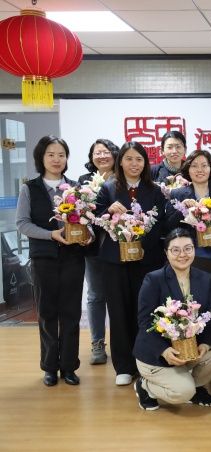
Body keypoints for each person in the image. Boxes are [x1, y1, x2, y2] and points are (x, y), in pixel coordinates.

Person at [16, 135, 88, 386]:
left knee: (71, 312)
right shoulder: (29, 188)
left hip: (73, 258)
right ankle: (49, 366)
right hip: (43, 259)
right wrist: (51, 235)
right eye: (51, 154)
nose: (57, 159)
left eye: (61, 155)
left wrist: (87, 236)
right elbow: (22, 223)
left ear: (67, 158)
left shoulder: (77, 188)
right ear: (41, 157)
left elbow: (87, 221)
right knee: (47, 313)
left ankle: (69, 366)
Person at [95, 141, 167, 386]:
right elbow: (96, 219)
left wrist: (141, 241)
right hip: (114, 261)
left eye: (139, 159)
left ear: (145, 163)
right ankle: (123, 366)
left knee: (145, 310)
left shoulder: (154, 190)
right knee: (118, 311)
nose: (134, 164)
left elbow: (160, 224)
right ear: (120, 162)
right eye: (129, 159)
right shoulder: (108, 188)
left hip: (147, 260)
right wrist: (108, 212)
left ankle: (145, 361)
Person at [133, 228, 211, 410]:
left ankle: (196, 388)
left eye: (188, 248)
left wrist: (205, 344)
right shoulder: (153, 280)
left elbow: (210, 317)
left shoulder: (205, 278)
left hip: (187, 350)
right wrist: (164, 350)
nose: (182, 255)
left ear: (194, 250)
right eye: (175, 250)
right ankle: (145, 387)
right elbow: (145, 323)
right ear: (166, 252)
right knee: (183, 392)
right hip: (157, 354)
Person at [165, 150, 211, 338]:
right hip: (187, 261)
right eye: (194, 166)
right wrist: (183, 210)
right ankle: (189, 345)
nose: (200, 169)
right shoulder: (178, 194)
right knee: (189, 308)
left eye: (204, 165)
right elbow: (167, 227)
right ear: (188, 169)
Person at [77, 138, 119, 365]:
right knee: (95, 296)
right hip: (92, 246)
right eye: (97, 153)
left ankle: (122, 343)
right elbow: (79, 213)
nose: (102, 156)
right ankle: (97, 344)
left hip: (119, 246)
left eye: (106, 152)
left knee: (118, 295)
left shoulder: (122, 179)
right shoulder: (84, 181)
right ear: (92, 157)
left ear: (114, 155)